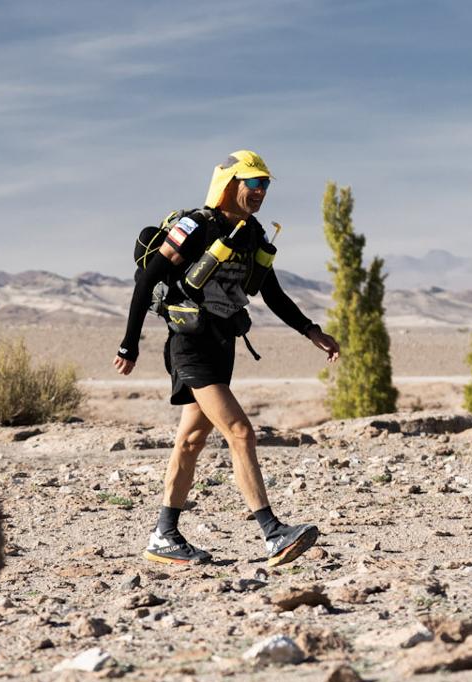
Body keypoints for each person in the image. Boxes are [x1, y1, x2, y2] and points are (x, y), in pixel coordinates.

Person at [113, 150, 342, 567]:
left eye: (266, 185)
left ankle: (164, 536)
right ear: (231, 184)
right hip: (190, 345)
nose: (261, 192)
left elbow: (271, 292)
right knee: (240, 431)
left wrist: (311, 331)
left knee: (191, 440)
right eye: (254, 184)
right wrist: (129, 344)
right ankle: (273, 533)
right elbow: (148, 278)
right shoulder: (196, 226)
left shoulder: (252, 233)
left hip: (224, 343)